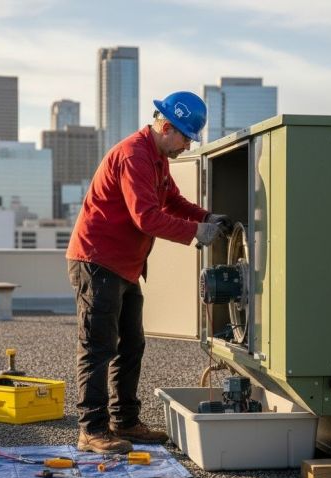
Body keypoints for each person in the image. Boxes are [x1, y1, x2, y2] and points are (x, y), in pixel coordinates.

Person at [65, 91, 233, 454]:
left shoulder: (157, 158)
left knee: (131, 345)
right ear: (166, 125)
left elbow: (171, 201)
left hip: (123, 266)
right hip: (98, 262)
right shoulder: (134, 155)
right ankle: (91, 429)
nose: (187, 145)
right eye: (185, 136)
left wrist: (205, 217)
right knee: (98, 348)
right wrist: (195, 233)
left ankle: (124, 421)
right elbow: (146, 217)